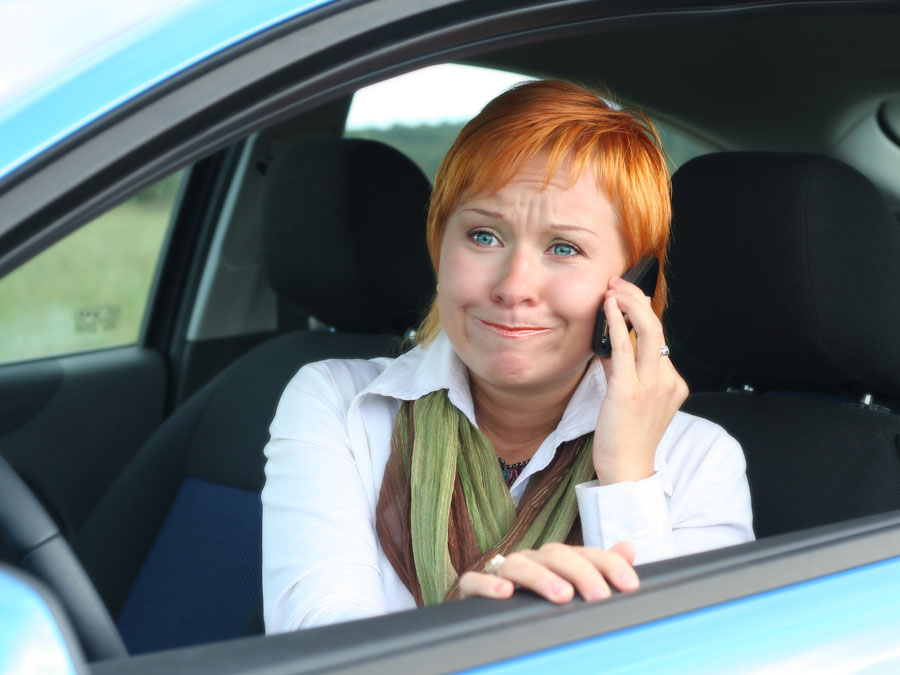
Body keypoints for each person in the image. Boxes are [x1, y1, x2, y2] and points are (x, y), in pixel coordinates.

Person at [262, 80, 754, 632]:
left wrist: (626, 480)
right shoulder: (338, 405)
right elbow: (318, 647)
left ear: (634, 282)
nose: (514, 286)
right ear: (439, 245)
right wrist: (470, 634)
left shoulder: (701, 462)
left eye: (563, 248)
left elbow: (679, 657)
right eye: (483, 236)